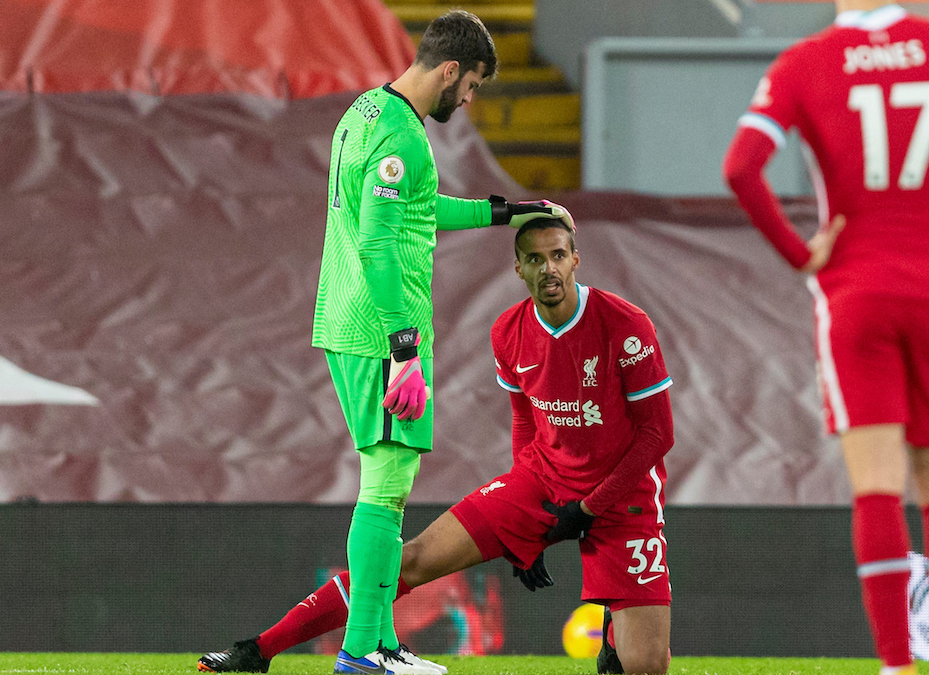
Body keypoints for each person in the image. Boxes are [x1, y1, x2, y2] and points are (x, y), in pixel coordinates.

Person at [722, 2, 929, 675]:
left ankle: (897, 665)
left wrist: (800, 252)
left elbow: (741, 168)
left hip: (856, 293)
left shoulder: (805, 62)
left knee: (877, 487)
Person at [201, 219, 676, 675]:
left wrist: (589, 509)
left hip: (621, 495)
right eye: (535, 259)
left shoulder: (626, 324)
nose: (548, 268)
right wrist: (528, 524)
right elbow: (524, 419)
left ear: (575, 260)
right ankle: (260, 648)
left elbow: (658, 435)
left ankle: (614, 632)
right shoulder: (507, 332)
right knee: (408, 560)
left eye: (557, 256)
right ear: (519, 268)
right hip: (543, 482)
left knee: (646, 667)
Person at [308, 9, 573, 675]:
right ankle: (363, 648)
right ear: (450, 69)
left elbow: (420, 211)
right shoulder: (400, 135)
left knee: (387, 481)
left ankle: (374, 642)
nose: (471, 98)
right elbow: (376, 242)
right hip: (380, 331)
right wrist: (403, 346)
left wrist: (512, 211)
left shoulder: (366, 112)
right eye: (474, 84)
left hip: (352, 321)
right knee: (386, 482)